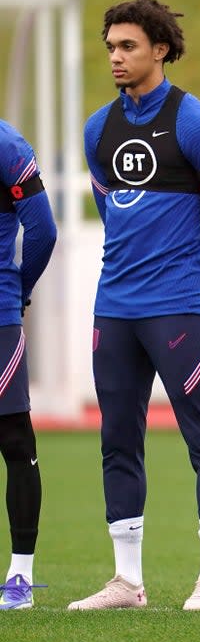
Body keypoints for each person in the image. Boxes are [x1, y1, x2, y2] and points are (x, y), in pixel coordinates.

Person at [70, 0, 200, 611]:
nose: (116, 57)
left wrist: (190, 290)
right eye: (110, 47)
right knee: (117, 437)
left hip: (179, 310)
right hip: (114, 308)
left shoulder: (197, 125)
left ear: (161, 50)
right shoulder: (98, 129)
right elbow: (112, 213)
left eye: (129, 47)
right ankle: (126, 581)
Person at [0, 120, 57, 611]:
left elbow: (43, 229)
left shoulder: (6, 145)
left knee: (15, 440)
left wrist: (18, 291)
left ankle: (19, 578)